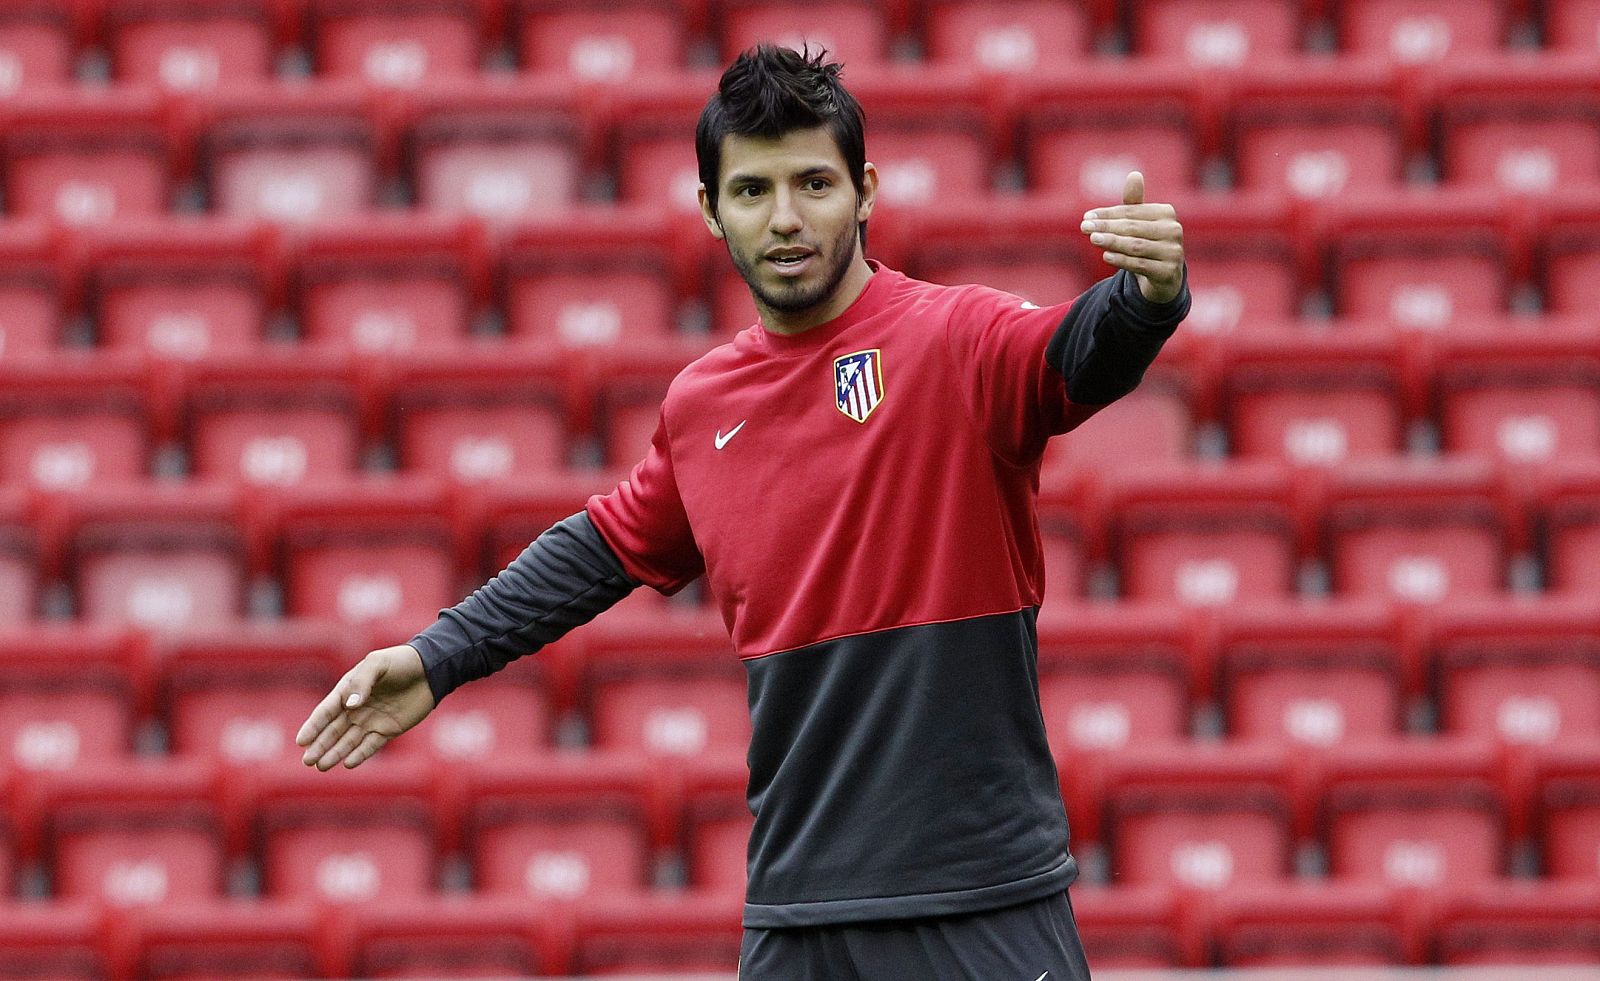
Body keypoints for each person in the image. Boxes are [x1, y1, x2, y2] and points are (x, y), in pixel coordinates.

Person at [297, 44, 1189, 980]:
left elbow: (1077, 351)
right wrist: (437, 656)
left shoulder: (957, 341)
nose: (787, 218)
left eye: (813, 182)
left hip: (979, 901)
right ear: (711, 212)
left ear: (866, 190)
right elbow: (599, 547)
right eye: (754, 192)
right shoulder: (702, 404)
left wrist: (1146, 297)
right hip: (798, 916)